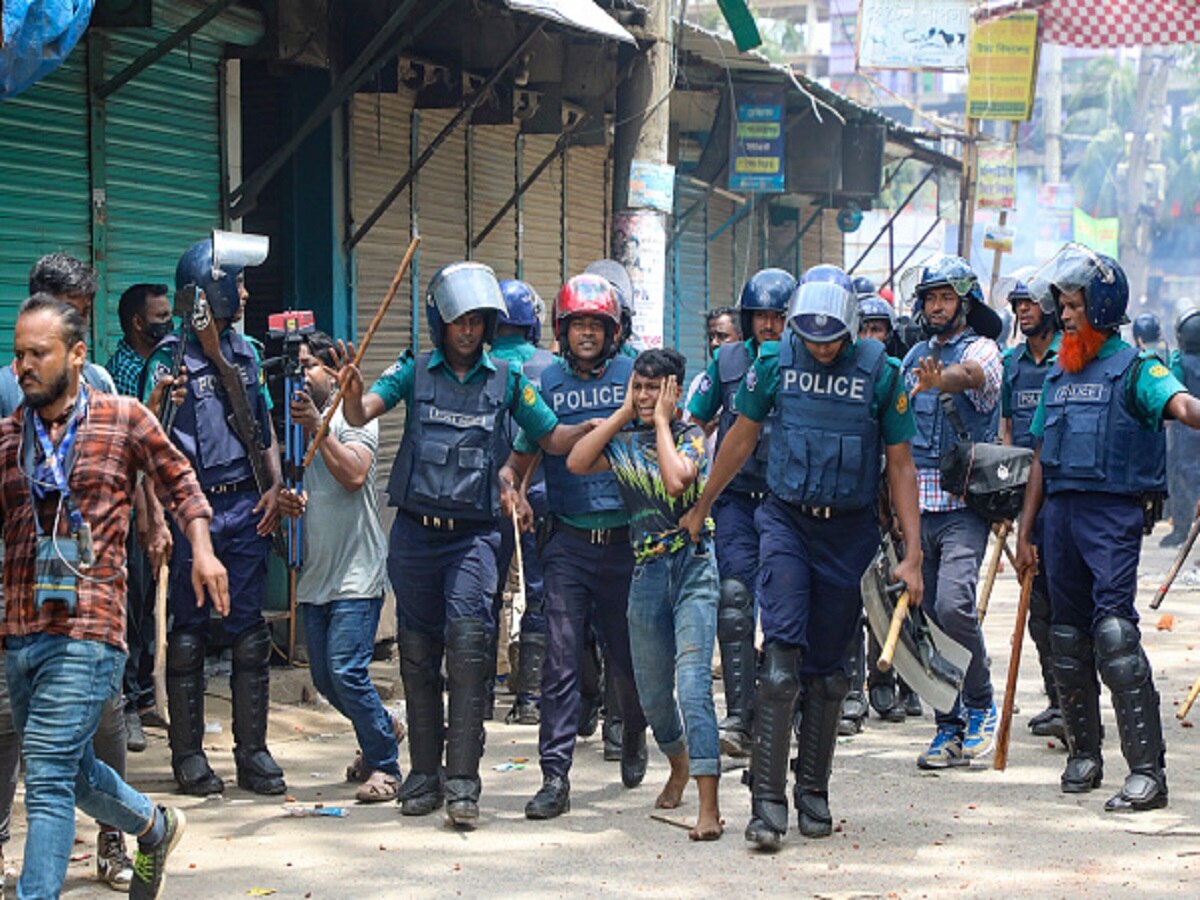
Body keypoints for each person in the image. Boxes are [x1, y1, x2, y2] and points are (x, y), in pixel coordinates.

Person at [682, 264, 923, 852]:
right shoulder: (771, 364)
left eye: (830, 339)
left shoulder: (883, 375)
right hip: (787, 522)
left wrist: (913, 553)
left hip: (848, 535)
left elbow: (900, 464)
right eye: (809, 338)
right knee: (782, 658)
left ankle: (812, 787)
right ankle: (767, 805)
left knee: (831, 673)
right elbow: (739, 435)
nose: (819, 349)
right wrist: (704, 503)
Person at [1, 294, 228, 899]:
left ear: (76, 356)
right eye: (18, 353)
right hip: (22, 632)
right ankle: (154, 826)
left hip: (90, 629)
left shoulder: (124, 418)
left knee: (46, 776)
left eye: (38, 354)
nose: (23, 365)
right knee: (71, 774)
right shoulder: (8, 439)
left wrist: (201, 549)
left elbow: (180, 480)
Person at [339, 261, 579, 826]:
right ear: (439, 323)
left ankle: (464, 782)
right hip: (416, 535)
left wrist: (611, 421)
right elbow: (360, 411)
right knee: (419, 654)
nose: (468, 332)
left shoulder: (508, 380)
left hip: (475, 538)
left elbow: (552, 436)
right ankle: (424, 775)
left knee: (470, 650)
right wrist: (347, 393)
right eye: (458, 322)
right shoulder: (413, 372)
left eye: (477, 321)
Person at [1015, 243, 1200, 812]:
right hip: (1058, 519)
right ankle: (1085, 755)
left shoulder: (1138, 370)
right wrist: (1026, 531)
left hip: (1110, 517)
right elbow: (1041, 456)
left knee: (1114, 636)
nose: (1063, 316)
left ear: (1100, 308)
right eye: (1062, 305)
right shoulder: (1059, 376)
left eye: (1072, 306)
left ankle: (1147, 773)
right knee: (1066, 638)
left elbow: (1184, 407)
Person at [0, 254, 133, 890]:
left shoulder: (101, 381)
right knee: (14, 727)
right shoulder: (8, 388)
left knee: (92, 728)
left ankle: (117, 840)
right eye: (75, 309)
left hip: (85, 594)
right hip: (21, 592)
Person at [500, 273, 649, 821]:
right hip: (565, 542)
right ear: (561, 331)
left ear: (613, 331)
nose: (587, 334)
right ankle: (554, 775)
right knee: (561, 660)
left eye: (597, 324)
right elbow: (519, 460)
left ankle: (634, 730)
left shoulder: (638, 376)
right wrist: (512, 491)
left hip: (629, 544)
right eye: (577, 324)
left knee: (628, 657)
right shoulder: (546, 384)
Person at [144, 233, 285, 798]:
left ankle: (253, 754)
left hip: (244, 504)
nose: (247, 292)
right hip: (191, 512)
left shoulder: (246, 353)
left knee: (250, 636)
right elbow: (143, 437)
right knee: (190, 637)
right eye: (239, 282)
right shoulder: (168, 359)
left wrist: (275, 486)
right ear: (211, 290)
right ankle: (189, 757)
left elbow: (264, 425)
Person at [568, 348, 723, 841]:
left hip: (693, 566)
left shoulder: (690, 436)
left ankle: (708, 806)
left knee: (694, 684)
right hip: (646, 572)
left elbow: (679, 480)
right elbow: (576, 461)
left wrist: (661, 422)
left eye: (654, 388)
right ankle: (677, 763)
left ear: (675, 392)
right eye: (637, 386)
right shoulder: (624, 438)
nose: (643, 396)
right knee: (653, 696)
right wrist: (623, 413)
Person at [276, 331, 402, 803]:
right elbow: (287, 483)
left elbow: (351, 476)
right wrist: (284, 501)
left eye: (309, 365)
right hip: (316, 572)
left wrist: (317, 429)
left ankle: (386, 765)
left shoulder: (353, 417)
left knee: (347, 670)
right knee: (327, 679)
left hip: (357, 570)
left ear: (333, 371)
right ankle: (383, 728)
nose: (301, 375)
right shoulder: (292, 422)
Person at [900, 254, 1004, 769]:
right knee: (923, 618)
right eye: (930, 298)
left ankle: (983, 704)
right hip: (915, 510)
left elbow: (970, 377)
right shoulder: (911, 356)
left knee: (954, 605)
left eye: (946, 298)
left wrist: (943, 381)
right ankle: (948, 727)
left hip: (964, 506)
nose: (937, 307)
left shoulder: (983, 350)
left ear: (965, 303)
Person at [686, 268, 792, 757]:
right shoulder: (726, 361)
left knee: (782, 612)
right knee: (733, 601)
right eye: (761, 317)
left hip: (786, 504)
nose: (769, 326)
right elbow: (696, 420)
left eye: (778, 316)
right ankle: (739, 715)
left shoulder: (802, 362)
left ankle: (780, 712)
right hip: (734, 502)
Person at [841, 294, 923, 731]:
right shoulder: (845, 372)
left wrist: (896, 516)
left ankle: (887, 679)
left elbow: (900, 458)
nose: (872, 337)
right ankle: (853, 692)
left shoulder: (893, 377)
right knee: (852, 600)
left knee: (892, 597)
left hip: (888, 501)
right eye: (865, 328)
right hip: (852, 501)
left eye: (879, 329)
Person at [107, 282, 174, 755]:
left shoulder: (168, 360)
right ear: (137, 322)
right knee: (131, 611)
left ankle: (151, 698)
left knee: (156, 607)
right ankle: (127, 705)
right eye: (160, 315)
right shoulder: (123, 371)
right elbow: (132, 443)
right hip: (134, 505)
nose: (168, 321)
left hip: (164, 499)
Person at [998, 268, 1064, 741]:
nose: (1023, 311)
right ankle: (1057, 698)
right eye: (1018, 304)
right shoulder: (1011, 364)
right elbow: (1005, 429)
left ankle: (1076, 701)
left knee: (1069, 606)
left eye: (1031, 303)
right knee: (1036, 607)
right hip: (1026, 499)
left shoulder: (1069, 359)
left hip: (1065, 493)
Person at [489, 279, 554, 725]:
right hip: (541, 500)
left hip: (478, 504)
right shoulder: (551, 368)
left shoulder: (475, 365)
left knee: (481, 596)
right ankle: (530, 697)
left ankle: (473, 691)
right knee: (539, 594)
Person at [1162, 307, 1200, 548]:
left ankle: (1182, 532)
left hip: (1185, 432)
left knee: (1182, 482)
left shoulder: (1178, 361)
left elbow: (1171, 394)